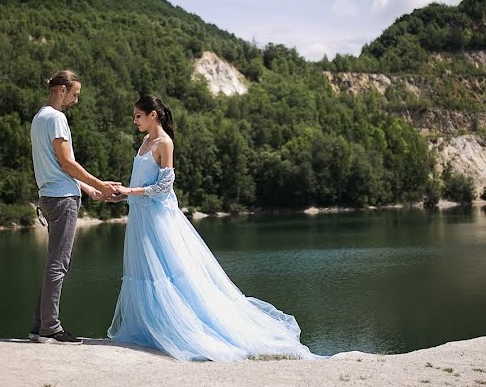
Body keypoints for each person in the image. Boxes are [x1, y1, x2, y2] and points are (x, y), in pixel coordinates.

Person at [106, 95, 321, 361]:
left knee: (170, 274)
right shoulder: (145, 142)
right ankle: (151, 329)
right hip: (140, 216)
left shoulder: (165, 143)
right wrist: (123, 195)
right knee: (145, 272)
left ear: (153, 115)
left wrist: (130, 190)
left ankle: (181, 330)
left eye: (138, 115)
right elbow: (142, 182)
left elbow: (164, 188)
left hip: (158, 220)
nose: (134, 120)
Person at [28, 70, 120, 345]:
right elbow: (67, 163)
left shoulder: (39, 118)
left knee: (53, 264)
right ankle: (51, 328)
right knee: (59, 264)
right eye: (74, 94)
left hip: (50, 195)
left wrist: (89, 189)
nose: (75, 101)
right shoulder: (57, 119)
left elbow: (57, 168)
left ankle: (38, 327)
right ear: (61, 90)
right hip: (62, 200)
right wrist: (101, 184)